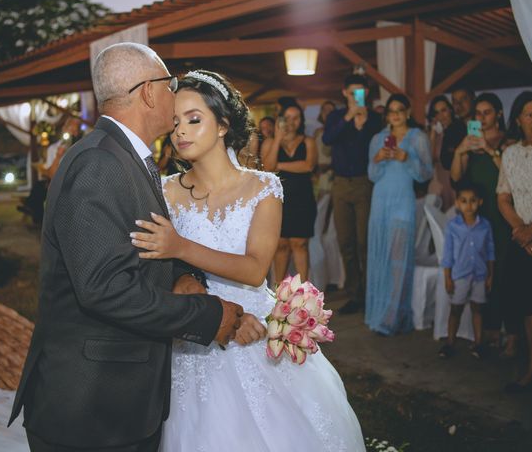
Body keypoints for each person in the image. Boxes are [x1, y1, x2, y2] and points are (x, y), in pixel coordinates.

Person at [9, 44, 244, 452]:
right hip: (92, 410)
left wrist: (181, 276)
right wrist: (207, 316)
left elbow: (131, 244)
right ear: (149, 92)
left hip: (117, 402)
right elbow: (105, 288)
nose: (175, 94)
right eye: (170, 85)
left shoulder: (121, 156)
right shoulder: (99, 164)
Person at [130, 69, 366, 451]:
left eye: (194, 119)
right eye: (175, 122)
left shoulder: (264, 187)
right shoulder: (166, 191)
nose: (181, 132)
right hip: (193, 334)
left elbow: (256, 268)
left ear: (223, 125)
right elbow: (157, 265)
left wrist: (181, 246)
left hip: (257, 337)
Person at [449, 92, 514, 356]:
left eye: (487, 112)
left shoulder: (508, 142)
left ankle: (510, 333)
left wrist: (490, 150)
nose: (482, 117)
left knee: (503, 271)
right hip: (477, 215)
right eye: (478, 113)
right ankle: (486, 331)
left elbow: (510, 175)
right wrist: (461, 150)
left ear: (498, 113)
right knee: (481, 273)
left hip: (503, 213)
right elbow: (456, 177)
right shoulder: (470, 143)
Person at [365, 94, 433, 335]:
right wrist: (378, 158)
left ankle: (393, 316)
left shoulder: (418, 138)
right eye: (390, 111)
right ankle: (378, 311)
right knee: (380, 256)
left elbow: (425, 174)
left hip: (403, 200)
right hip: (380, 200)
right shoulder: (377, 138)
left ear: (407, 112)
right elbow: (372, 175)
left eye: (399, 109)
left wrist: (407, 157)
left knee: (398, 259)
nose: (395, 114)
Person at [496, 91, 532, 393]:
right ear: (518, 119)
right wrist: (522, 232)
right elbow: (503, 196)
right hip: (525, 240)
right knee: (530, 307)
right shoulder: (511, 153)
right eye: (530, 114)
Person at [322, 74, 382, 314]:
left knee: (364, 242)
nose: (357, 96)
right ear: (345, 92)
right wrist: (348, 117)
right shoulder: (337, 116)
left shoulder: (375, 119)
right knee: (345, 242)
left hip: (364, 183)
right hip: (340, 184)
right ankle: (355, 294)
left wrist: (364, 122)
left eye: (361, 92)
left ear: (366, 93)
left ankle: (370, 293)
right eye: (353, 91)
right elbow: (328, 139)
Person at [261, 102, 317, 282]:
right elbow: (267, 168)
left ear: (301, 120)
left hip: (303, 198)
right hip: (278, 200)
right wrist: (277, 138)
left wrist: (280, 166)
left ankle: (305, 294)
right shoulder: (270, 142)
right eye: (288, 118)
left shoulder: (308, 141)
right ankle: (279, 294)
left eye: (296, 118)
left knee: (300, 244)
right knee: (281, 245)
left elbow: (308, 166)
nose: (292, 122)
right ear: (281, 119)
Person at [438, 183, 495, 359]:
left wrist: (490, 276)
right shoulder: (453, 226)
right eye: (463, 201)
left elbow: (490, 253)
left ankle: (478, 344)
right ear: (457, 203)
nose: (468, 205)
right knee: (456, 309)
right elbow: (447, 255)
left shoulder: (485, 226)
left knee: (478, 309)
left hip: (479, 275)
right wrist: (448, 278)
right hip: (459, 276)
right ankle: (450, 343)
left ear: (480, 202)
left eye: (473, 201)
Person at [426, 95, 455, 210]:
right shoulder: (434, 135)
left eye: (444, 110)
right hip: (438, 182)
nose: (441, 115)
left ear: (450, 111)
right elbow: (429, 160)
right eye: (436, 112)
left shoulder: (458, 130)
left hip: (453, 181)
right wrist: (433, 133)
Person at [440, 87, 475, 171]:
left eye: (463, 99)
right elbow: (445, 162)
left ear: (473, 99)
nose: (459, 104)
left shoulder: (483, 125)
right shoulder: (451, 130)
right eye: (455, 102)